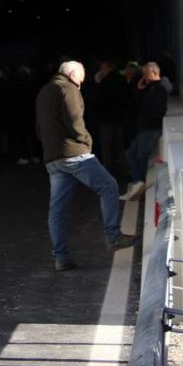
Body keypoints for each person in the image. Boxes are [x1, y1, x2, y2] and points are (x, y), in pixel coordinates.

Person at [36, 61, 136, 271]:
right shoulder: (68, 88)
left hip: (52, 158)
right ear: (72, 74)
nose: (81, 85)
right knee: (109, 186)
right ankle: (113, 235)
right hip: (74, 154)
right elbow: (75, 121)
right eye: (80, 80)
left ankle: (61, 257)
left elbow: (39, 127)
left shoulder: (44, 91)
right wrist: (87, 142)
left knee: (57, 209)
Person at [121, 62, 167, 201]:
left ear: (154, 73)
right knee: (131, 154)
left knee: (140, 155)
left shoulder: (159, 89)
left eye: (146, 73)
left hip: (151, 128)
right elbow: (138, 104)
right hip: (144, 128)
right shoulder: (148, 88)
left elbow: (157, 111)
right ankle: (139, 182)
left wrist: (148, 115)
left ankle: (140, 183)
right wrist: (140, 90)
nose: (144, 76)